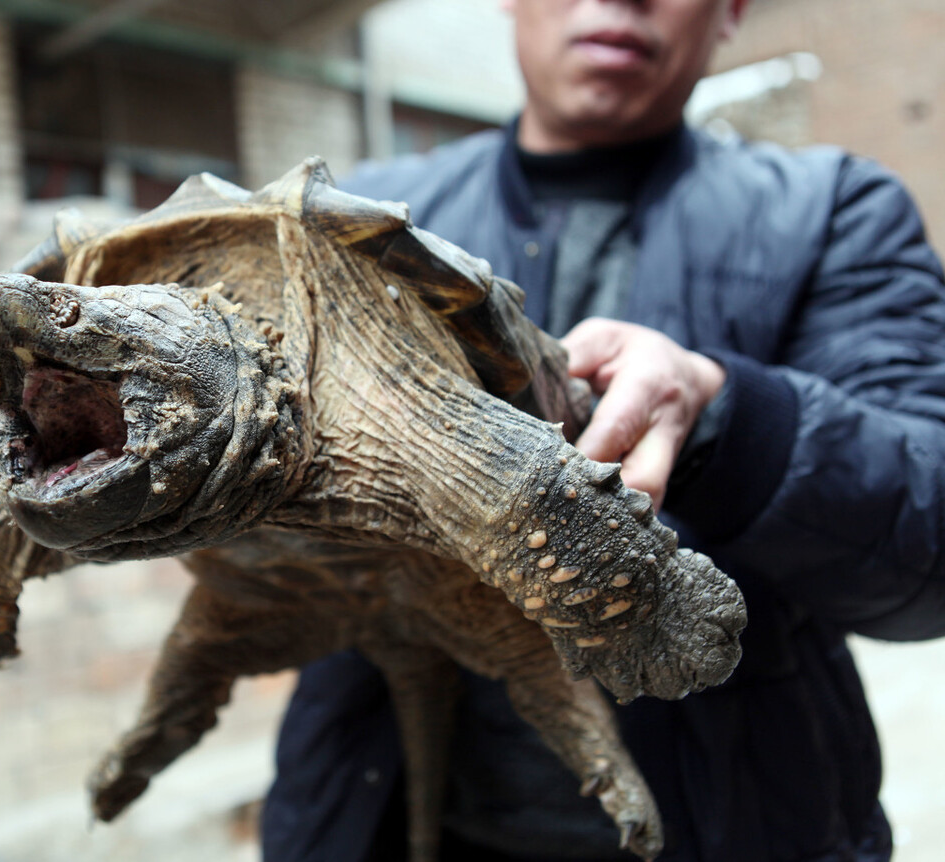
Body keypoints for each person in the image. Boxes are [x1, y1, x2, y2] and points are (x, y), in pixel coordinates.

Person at [261, 1, 945, 860]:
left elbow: (929, 547)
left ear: (731, 10)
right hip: (384, 813)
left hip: (745, 819)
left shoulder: (834, 211)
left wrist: (723, 417)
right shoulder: (355, 220)